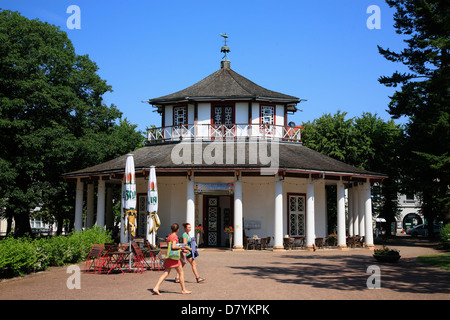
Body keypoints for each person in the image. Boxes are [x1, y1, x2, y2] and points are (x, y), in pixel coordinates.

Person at [152, 223, 192, 295]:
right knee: (181, 272)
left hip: (169, 256)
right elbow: (173, 247)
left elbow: (171, 248)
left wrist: (183, 250)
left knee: (166, 273)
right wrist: (181, 247)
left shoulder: (169, 237)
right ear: (177, 229)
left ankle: (156, 287)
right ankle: (183, 290)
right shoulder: (175, 237)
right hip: (174, 258)